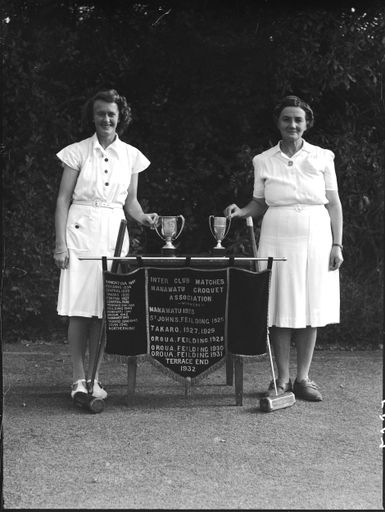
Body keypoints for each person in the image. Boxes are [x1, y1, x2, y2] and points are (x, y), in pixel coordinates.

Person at [224, 95, 343, 401]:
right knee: (279, 307)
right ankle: (282, 378)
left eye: (298, 120)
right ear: (278, 123)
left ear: (307, 124)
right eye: (287, 119)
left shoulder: (322, 157)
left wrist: (337, 244)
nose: (292, 124)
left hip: (316, 236)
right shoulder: (263, 160)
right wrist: (241, 212)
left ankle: (304, 378)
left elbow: (334, 204)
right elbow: (259, 203)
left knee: (309, 307)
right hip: (277, 235)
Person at [54, 89, 158, 400]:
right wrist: (61, 244)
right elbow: (62, 199)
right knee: (78, 310)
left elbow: (133, 204)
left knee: (101, 310)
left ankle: (95, 378)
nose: (106, 119)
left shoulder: (132, 156)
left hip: (113, 236)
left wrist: (145, 218)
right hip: (79, 234)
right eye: (101, 113)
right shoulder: (76, 152)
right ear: (93, 116)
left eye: (111, 114)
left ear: (120, 117)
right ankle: (77, 380)